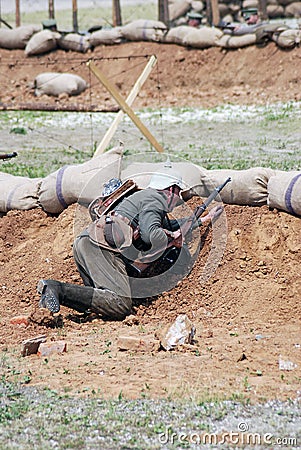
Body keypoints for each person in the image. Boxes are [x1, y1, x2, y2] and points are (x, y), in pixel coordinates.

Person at [38, 168, 222, 321]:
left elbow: (167, 225)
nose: (179, 199)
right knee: (120, 304)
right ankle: (56, 289)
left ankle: (48, 304)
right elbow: (152, 234)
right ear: (171, 190)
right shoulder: (155, 200)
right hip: (101, 248)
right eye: (178, 193)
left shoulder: (145, 198)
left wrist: (203, 219)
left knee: (100, 301)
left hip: (87, 242)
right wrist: (172, 238)